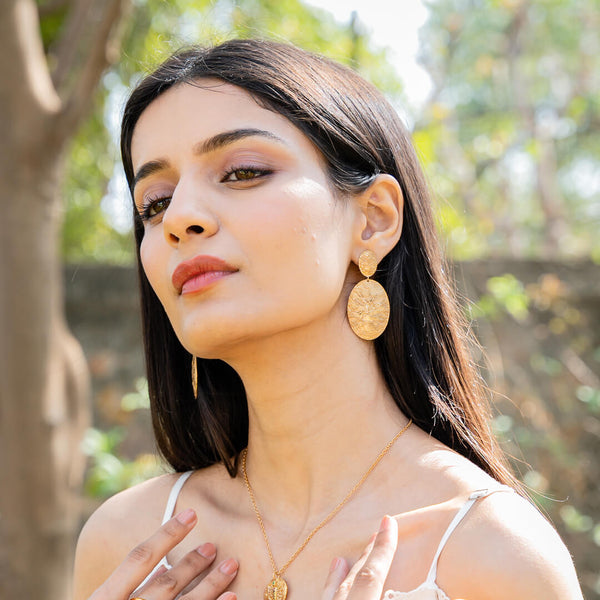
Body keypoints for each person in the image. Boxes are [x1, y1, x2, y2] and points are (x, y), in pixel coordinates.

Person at [73, 39, 583, 600]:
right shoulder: (126, 542)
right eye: (154, 202)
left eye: (242, 172)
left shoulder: (496, 556)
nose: (179, 218)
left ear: (373, 220)